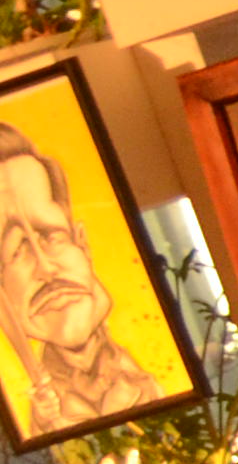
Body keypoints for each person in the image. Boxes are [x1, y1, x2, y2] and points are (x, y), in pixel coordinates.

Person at [0, 129, 165, 436]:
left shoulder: (141, 376)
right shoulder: (43, 410)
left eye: (52, 236)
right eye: (16, 250)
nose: (45, 268)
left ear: (82, 244)